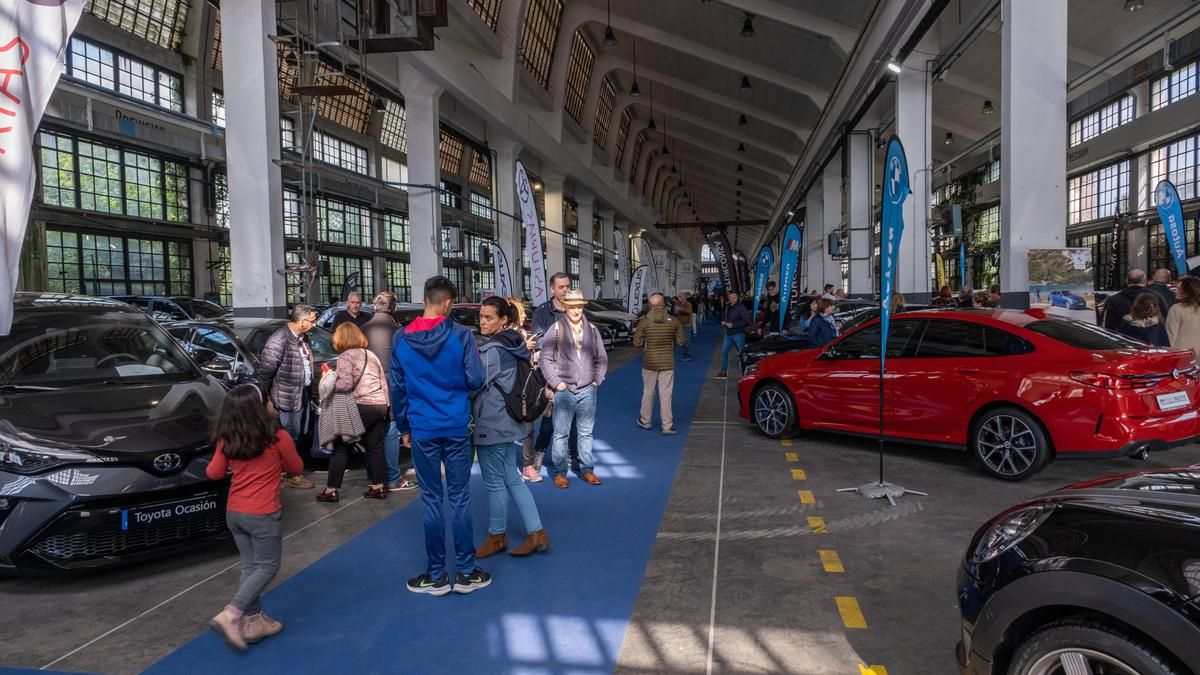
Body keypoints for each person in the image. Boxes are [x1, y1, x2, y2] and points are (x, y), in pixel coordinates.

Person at [391, 276, 489, 596]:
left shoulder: (400, 339)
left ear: (425, 299)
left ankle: (436, 575)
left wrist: (404, 427)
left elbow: (398, 389)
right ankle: (465, 571)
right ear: (448, 303)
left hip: (422, 428)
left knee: (431, 499)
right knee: (459, 497)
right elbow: (476, 379)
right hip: (458, 425)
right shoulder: (461, 335)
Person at [206, 383, 303, 651]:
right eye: (269, 400)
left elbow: (213, 473)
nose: (272, 404)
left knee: (250, 567)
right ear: (260, 407)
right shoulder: (277, 437)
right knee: (268, 567)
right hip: (263, 512)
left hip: (234, 512)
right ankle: (232, 613)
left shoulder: (227, 439)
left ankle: (254, 621)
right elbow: (296, 467)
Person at [473, 297, 549, 558]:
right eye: (481, 316)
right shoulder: (514, 343)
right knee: (512, 479)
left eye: (488, 317)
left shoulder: (493, 350)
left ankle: (497, 536)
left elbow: (473, 382)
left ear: (503, 320)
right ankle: (536, 532)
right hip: (507, 421)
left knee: (495, 483)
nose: (482, 321)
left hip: (491, 422)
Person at [538, 289, 609, 488]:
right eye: (572, 306)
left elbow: (601, 358)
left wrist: (597, 379)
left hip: (588, 389)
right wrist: (557, 382)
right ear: (565, 307)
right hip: (564, 389)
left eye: (579, 306)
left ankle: (587, 470)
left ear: (582, 307)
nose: (576, 310)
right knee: (561, 433)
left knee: (586, 433)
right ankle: (560, 473)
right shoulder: (556, 329)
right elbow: (545, 359)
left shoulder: (593, 330)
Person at [316, 323, 390, 502]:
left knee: (342, 447)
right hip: (379, 404)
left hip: (360, 406)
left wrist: (329, 378)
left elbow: (345, 385)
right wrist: (387, 406)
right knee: (375, 447)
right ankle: (378, 487)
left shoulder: (344, 357)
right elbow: (382, 380)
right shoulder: (370, 354)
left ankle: (331, 490)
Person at [256, 304, 317, 489]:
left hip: (301, 394)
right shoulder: (279, 339)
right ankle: (292, 475)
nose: (315, 324)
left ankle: (287, 470)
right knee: (290, 437)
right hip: (287, 398)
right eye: (313, 321)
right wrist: (266, 399)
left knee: (298, 434)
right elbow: (266, 372)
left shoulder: (303, 337)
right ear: (302, 322)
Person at [363, 292, 416, 492]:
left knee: (371, 435)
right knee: (391, 431)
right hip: (392, 386)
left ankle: (373, 475)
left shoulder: (362, 329)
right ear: (394, 308)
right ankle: (393, 477)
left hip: (367, 389)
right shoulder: (398, 332)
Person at [635, 293, 687, 434]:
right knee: (666, 394)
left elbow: (637, 343)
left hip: (649, 363)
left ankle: (645, 421)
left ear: (650, 306)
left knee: (648, 392)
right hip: (667, 363)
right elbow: (682, 341)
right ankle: (667, 425)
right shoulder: (674, 321)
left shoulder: (644, 322)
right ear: (664, 305)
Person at [508, 298, 544, 483]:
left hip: (525, 385)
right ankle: (508, 468)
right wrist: (525, 347)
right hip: (509, 387)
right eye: (521, 313)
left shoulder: (522, 332)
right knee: (508, 429)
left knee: (528, 426)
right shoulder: (505, 335)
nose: (523, 316)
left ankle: (527, 466)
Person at [1103, 268, 1168, 331]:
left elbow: (1109, 326)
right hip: (1149, 339)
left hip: (1123, 338)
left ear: (1126, 281)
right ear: (1144, 281)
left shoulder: (1113, 299)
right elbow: (1165, 319)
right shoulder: (1155, 297)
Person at [715, 290, 750, 380]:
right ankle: (723, 372)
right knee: (724, 352)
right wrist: (722, 321)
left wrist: (733, 325)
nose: (732, 299)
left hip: (738, 334)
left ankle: (745, 373)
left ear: (737, 297)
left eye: (734, 297)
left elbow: (746, 321)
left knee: (742, 354)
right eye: (730, 297)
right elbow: (723, 317)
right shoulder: (727, 306)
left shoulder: (741, 307)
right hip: (728, 334)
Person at [1167, 276, 1200, 365]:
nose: (1175, 291)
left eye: (1178, 289)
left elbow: (1171, 335)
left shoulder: (1176, 309)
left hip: (1184, 355)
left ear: (1187, 291)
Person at [673, 291, 694, 362]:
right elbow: (677, 314)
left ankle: (688, 355)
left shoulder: (688, 304)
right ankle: (685, 355)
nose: (679, 298)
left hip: (687, 325)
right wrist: (676, 311)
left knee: (687, 341)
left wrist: (680, 309)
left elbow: (689, 311)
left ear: (684, 297)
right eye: (678, 296)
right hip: (680, 325)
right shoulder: (680, 304)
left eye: (680, 296)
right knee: (682, 341)